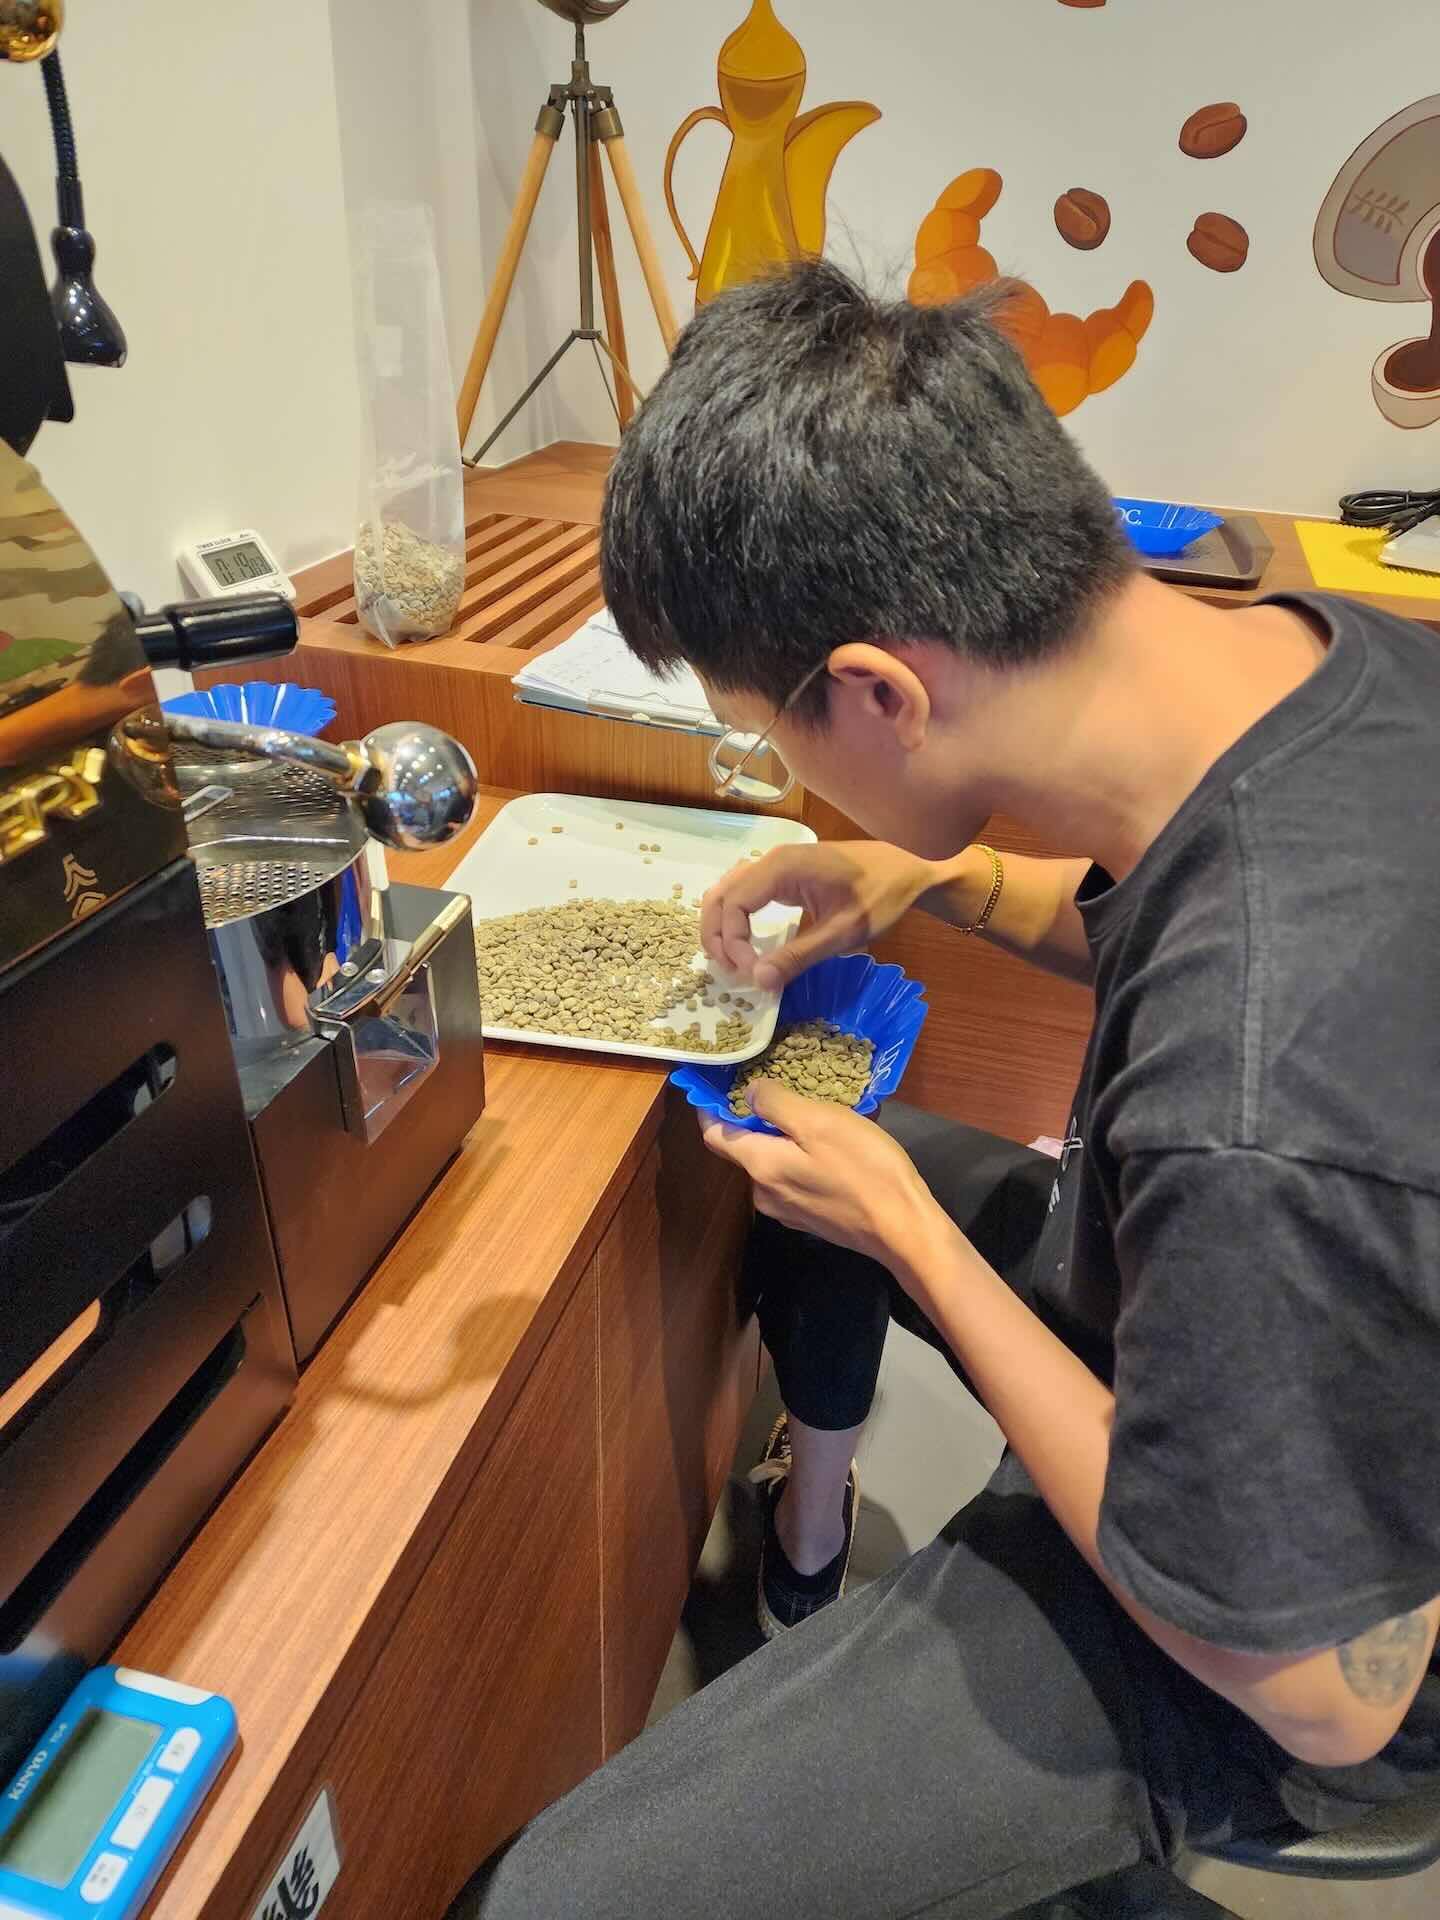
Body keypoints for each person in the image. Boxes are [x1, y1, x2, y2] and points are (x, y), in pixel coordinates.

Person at [446, 260, 1440, 1919]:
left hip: (1280, 1631)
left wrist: (918, 1236)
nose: (797, 780)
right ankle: (813, 1536)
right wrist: (937, 878)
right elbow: (1164, 904)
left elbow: (1321, 1689)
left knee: (540, 1905)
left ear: (880, 692)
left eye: (776, 740)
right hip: (1239, 1318)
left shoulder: (1256, 1093)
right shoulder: (1323, 660)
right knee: (819, 1159)